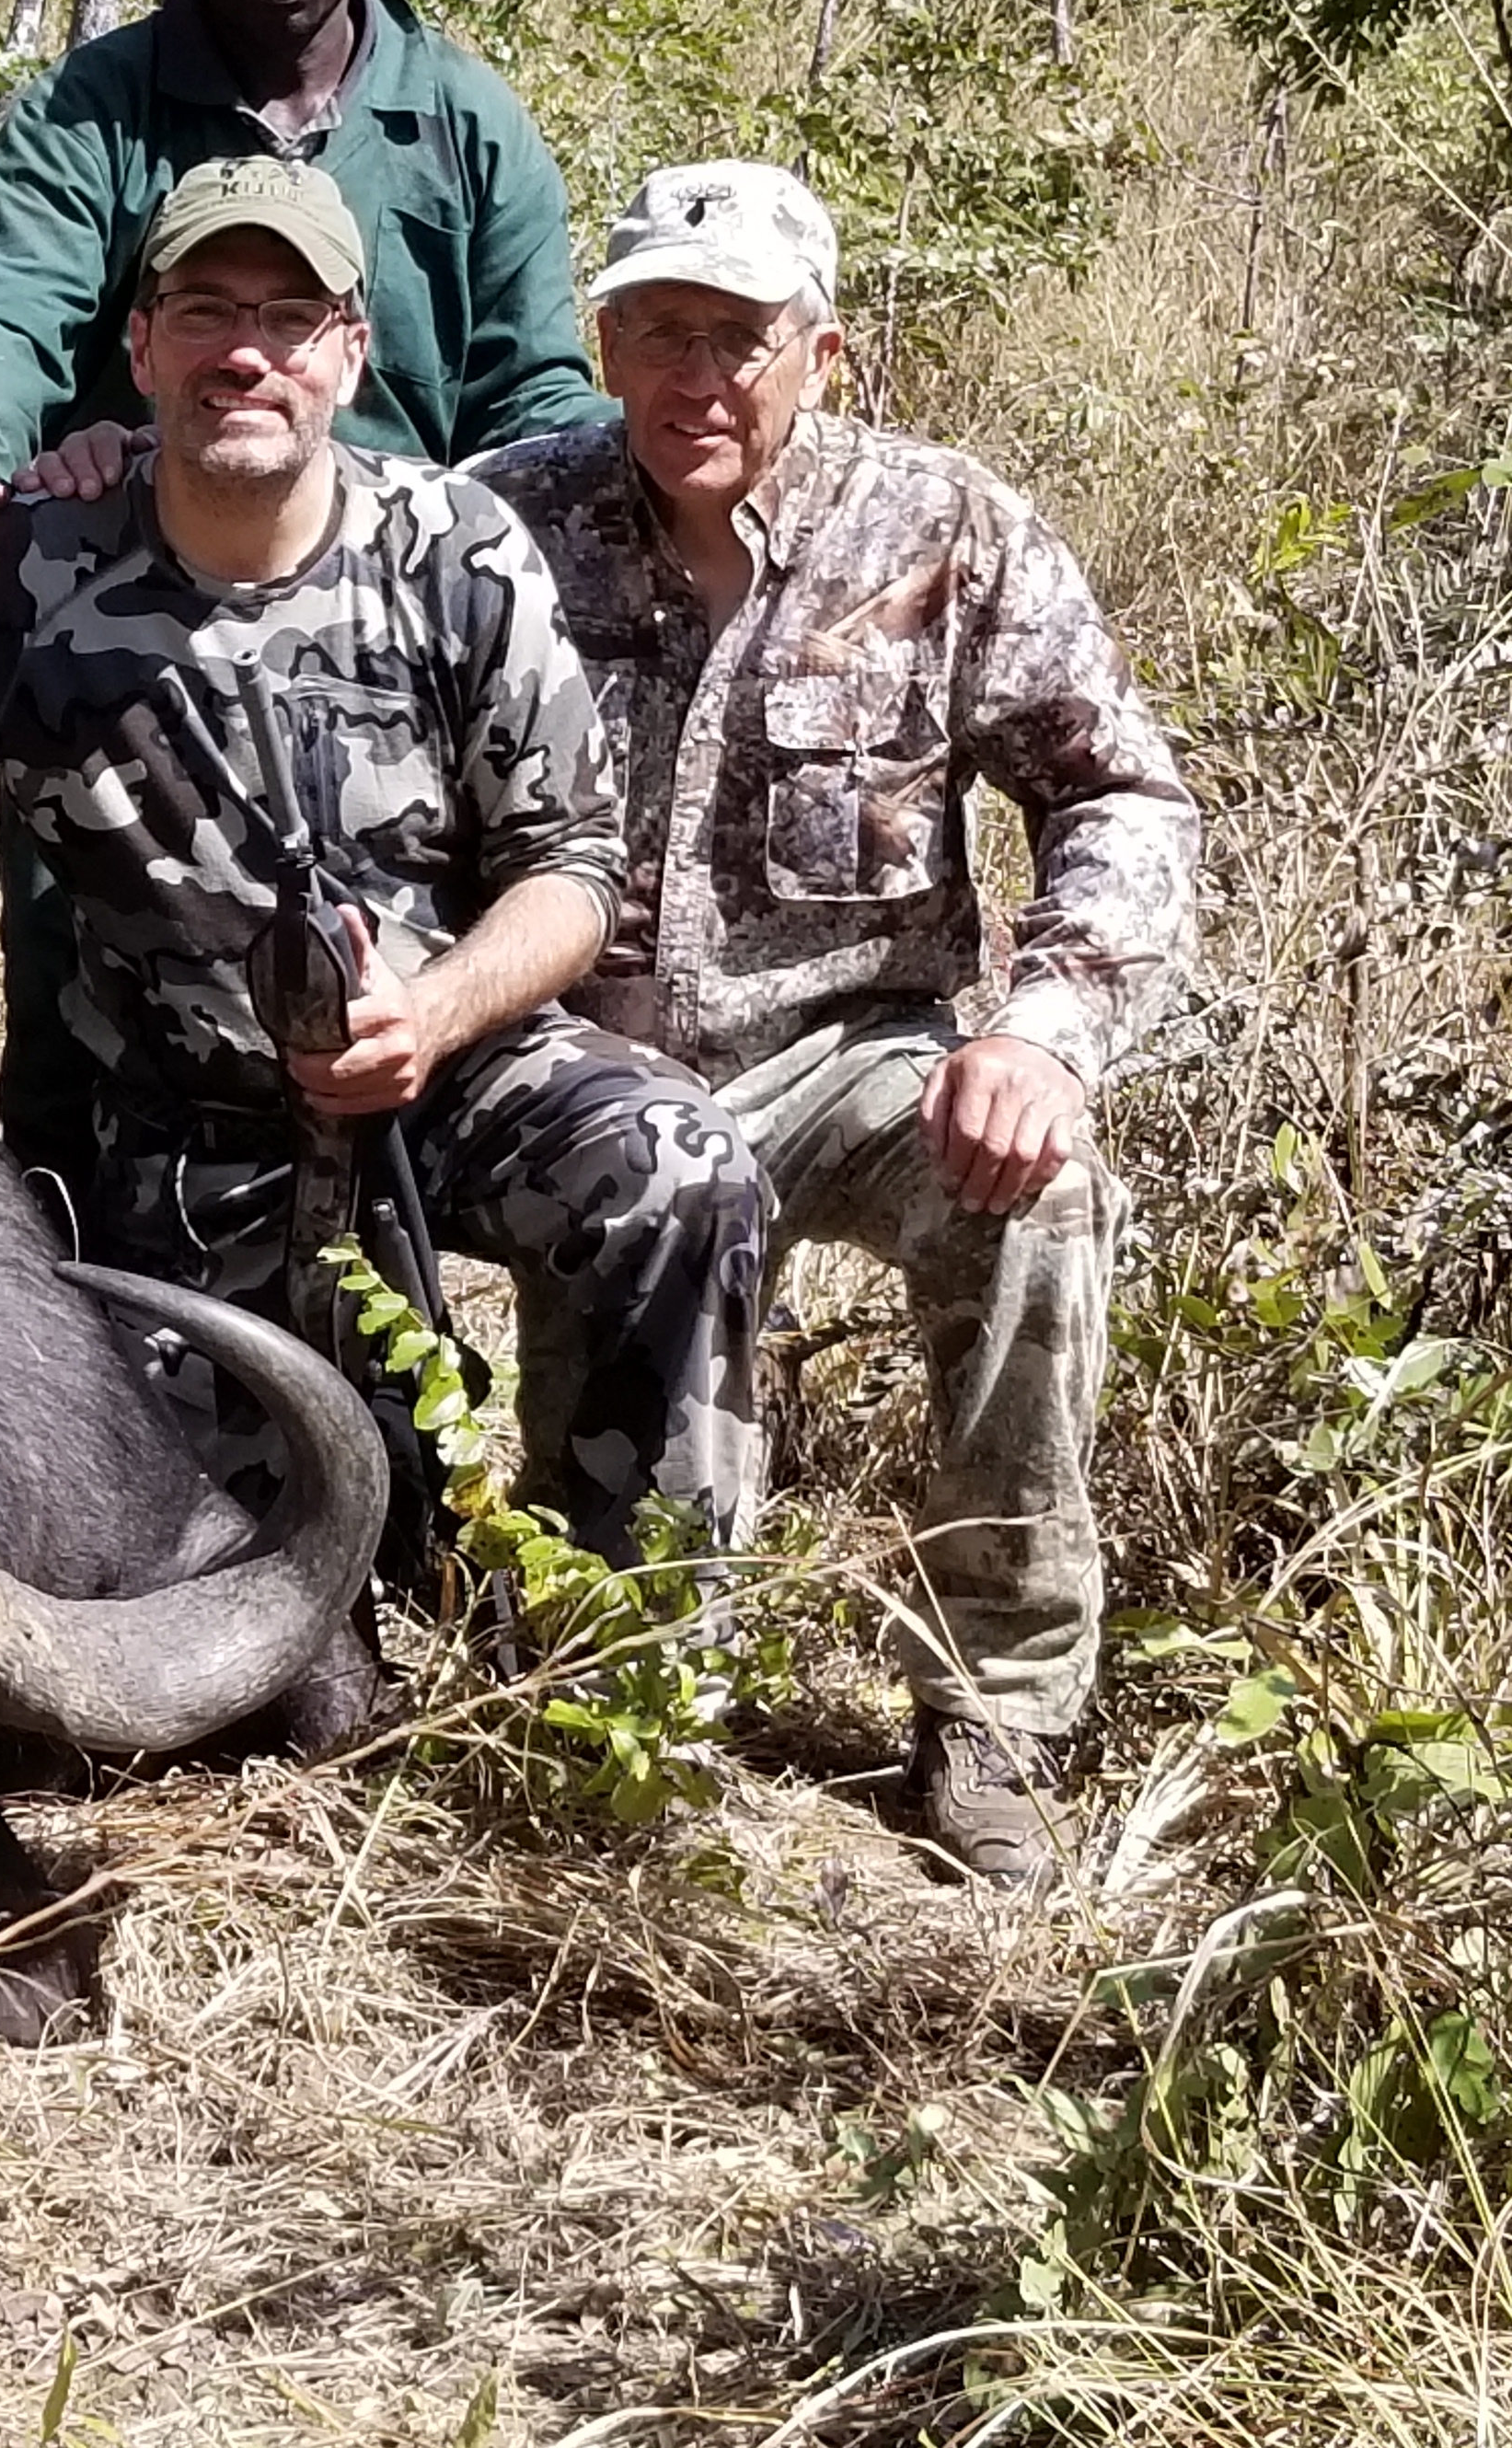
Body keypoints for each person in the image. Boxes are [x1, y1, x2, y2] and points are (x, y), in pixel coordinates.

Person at [0, 155, 761, 1599]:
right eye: (204, 310)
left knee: (678, 1165)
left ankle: (633, 1634)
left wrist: (430, 1017)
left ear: (349, 353)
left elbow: (573, 871)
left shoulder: (457, 551)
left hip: (448, 1074)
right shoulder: (36, 570)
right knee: (196, 1582)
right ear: (142, 346)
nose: (245, 352)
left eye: (290, 317)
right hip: (189, 1145)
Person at [467, 162, 1201, 1881]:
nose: (693, 375)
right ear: (605, 341)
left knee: (1037, 1190)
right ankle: (622, 1687)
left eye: (738, 337)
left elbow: (1120, 796)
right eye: (655, 330)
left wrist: (1043, 1026)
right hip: (582, 1069)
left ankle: (995, 1704)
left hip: (850, 1052)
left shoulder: (943, 529)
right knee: (615, 1626)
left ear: (824, 352)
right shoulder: (500, 517)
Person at [0, 0, 615, 1173]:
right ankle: (82, 1311)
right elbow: (3, 318)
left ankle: (389, 1353)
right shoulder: (89, 111)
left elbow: (537, 387)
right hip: (143, 639)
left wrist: (516, 589)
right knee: (87, 1036)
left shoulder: (464, 124)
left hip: (401, 633)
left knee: (435, 1039)